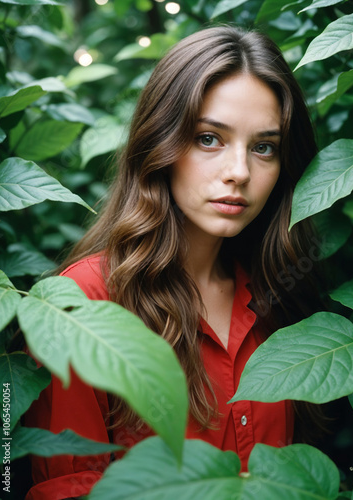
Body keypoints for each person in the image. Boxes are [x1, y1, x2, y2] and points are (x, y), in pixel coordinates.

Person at [25, 25, 324, 499]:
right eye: (209, 138)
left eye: (264, 147)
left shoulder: (282, 294)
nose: (239, 172)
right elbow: (69, 488)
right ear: (160, 142)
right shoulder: (82, 305)